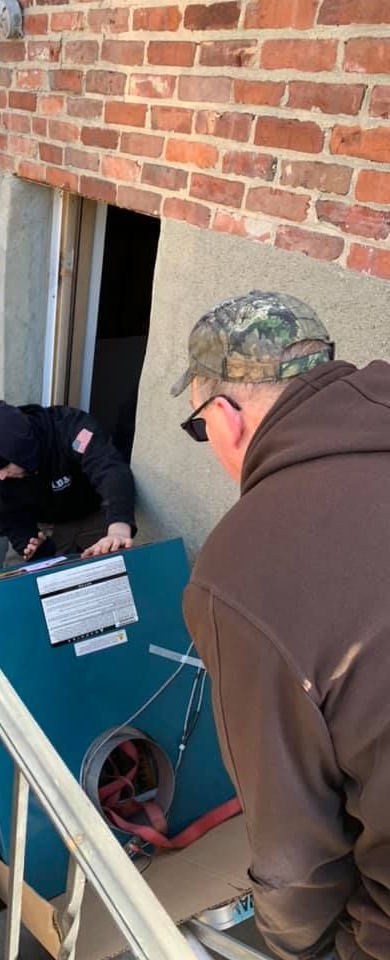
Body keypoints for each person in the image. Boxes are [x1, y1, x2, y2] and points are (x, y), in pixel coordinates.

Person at [172, 290, 390, 960]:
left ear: (225, 416)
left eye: (199, 428)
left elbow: (294, 853)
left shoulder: (243, 572)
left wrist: (296, 948)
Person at [0, 401, 136, 562]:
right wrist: (31, 545)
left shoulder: (71, 427)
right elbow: (7, 517)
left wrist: (118, 529)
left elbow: (109, 468)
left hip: (96, 516)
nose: (1, 476)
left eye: (3, 467)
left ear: (19, 450)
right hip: (45, 526)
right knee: (18, 578)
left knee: (117, 569)